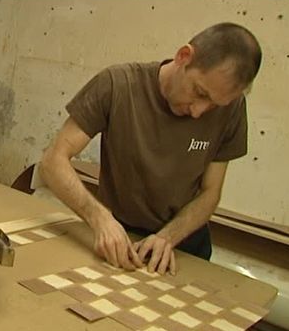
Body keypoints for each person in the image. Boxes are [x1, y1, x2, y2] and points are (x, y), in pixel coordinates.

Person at [39, 22, 261, 276]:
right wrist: (99, 218)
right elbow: (53, 161)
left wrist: (168, 237)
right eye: (199, 93)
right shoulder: (118, 85)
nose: (199, 111)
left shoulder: (232, 109)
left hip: (183, 245)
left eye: (214, 105)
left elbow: (210, 192)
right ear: (183, 57)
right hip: (120, 238)